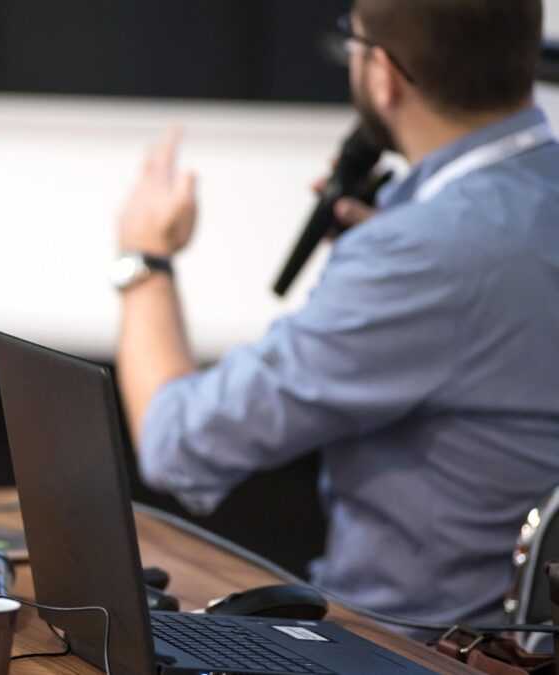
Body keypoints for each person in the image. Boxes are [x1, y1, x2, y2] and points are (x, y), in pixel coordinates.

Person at [114, 0, 559, 631]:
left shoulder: (417, 253)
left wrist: (145, 259)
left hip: (407, 652)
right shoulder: (467, 228)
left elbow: (179, 441)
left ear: (383, 73)